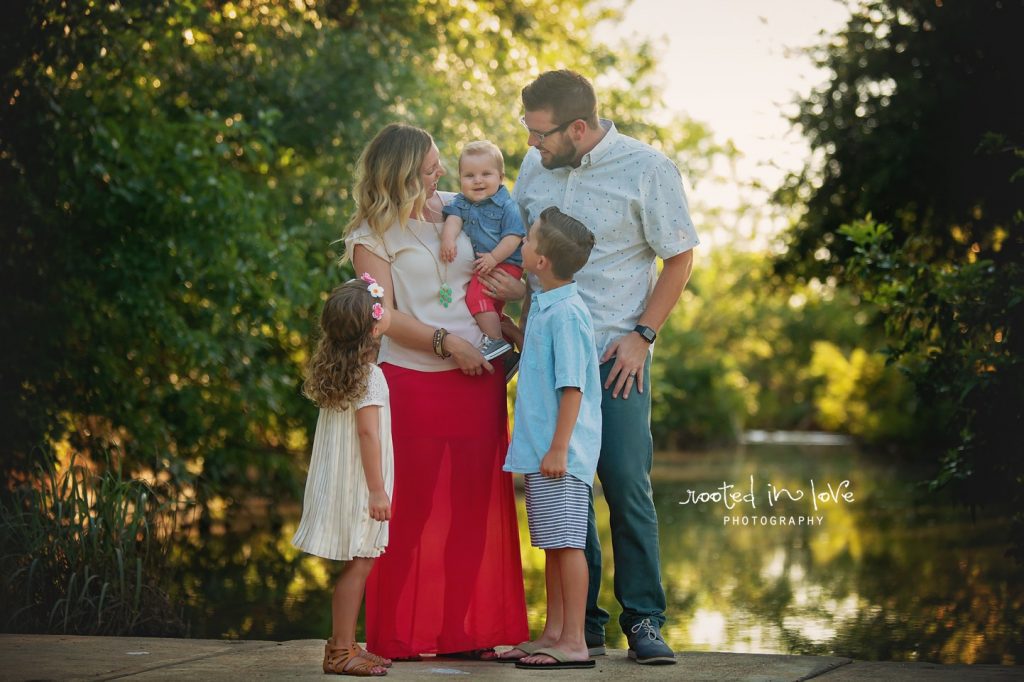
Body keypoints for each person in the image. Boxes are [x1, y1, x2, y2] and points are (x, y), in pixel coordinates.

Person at [512, 70, 700, 666]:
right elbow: (520, 247)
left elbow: (679, 257)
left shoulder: (648, 169)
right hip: (546, 359)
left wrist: (643, 336)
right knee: (565, 487)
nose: (532, 144)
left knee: (624, 481)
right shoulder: (533, 166)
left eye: (540, 133)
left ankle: (643, 618)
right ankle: (581, 627)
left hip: (614, 359)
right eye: (528, 131)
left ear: (579, 127)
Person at [343, 123, 529, 660]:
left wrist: (503, 320)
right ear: (400, 172)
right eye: (429, 168)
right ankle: (396, 637)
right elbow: (379, 316)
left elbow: (500, 258)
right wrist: (448, 343)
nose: (441, 174)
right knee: (411, 512)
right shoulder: (370, 237)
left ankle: (461, 635)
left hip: (480, 381)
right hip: (413, 384)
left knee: (472, 511)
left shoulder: (459, 205)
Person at [499, 207, 600, 671]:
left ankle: (575, 641)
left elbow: (573, 386)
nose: (522, 242)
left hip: (560, 452)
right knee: (553, 546)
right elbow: (540, 361)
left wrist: (560, 448)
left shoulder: (569, 314)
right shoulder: (545, 303)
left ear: (541, 261)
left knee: (568, 546)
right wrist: (511, 332)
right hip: (543, 449)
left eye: (529, 239)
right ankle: (553, 634)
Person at [291, 276, 395, 677]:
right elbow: (368, 433)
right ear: (373, 328)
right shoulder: (370, 377)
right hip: (360, 486)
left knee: (360, 561)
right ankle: (339, 651)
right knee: (361, 563)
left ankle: (347, 643)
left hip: (345, 482)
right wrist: (377, 490)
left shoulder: (341, 372)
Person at [439, 140, 526, 360]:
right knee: (489, 308)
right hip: (486, 264)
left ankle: (496, 344)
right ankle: (505, 350)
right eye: (469, 176)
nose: (478, 180)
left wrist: (494, 258)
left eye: (486, 174)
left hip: (504, 263)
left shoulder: (508, 206)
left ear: (501, 176)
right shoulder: (461, 202)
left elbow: (513, 237)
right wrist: (448, 240)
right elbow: (454, 219)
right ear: (460, 179)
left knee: (476, 296)